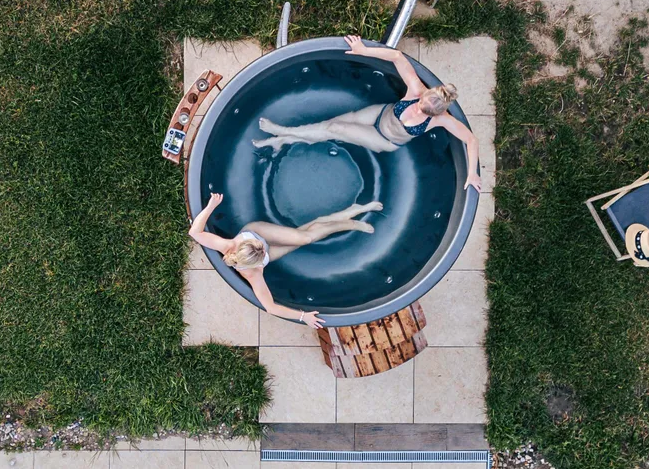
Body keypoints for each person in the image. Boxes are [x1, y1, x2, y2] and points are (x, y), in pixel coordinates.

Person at [253, 35, 482, 192]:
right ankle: (282, 140)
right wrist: (363, 51)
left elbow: (470, 139)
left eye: (422, 112)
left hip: (384, 139)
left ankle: (282, 132)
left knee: (334, 129)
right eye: (418, 103)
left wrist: (472, 173)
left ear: (434, 115)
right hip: (380, 114)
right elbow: (397, 57)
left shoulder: (441, 120)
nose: (415, 108)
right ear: (424, 95)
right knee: (328, 125)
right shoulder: (416, 89)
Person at [188, 192, 382, 329]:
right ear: (256, 265)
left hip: (258, 231)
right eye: (262, 251)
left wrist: (211, 206)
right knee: (303, 236)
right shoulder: (254, 275)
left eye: (259, 246)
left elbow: (195, 232)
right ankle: (349, 214)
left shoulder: (227, 245)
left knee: (305, 238)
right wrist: (302, 316)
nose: (264, 246)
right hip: (261, 257)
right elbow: (271, 307)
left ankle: (349, 222)